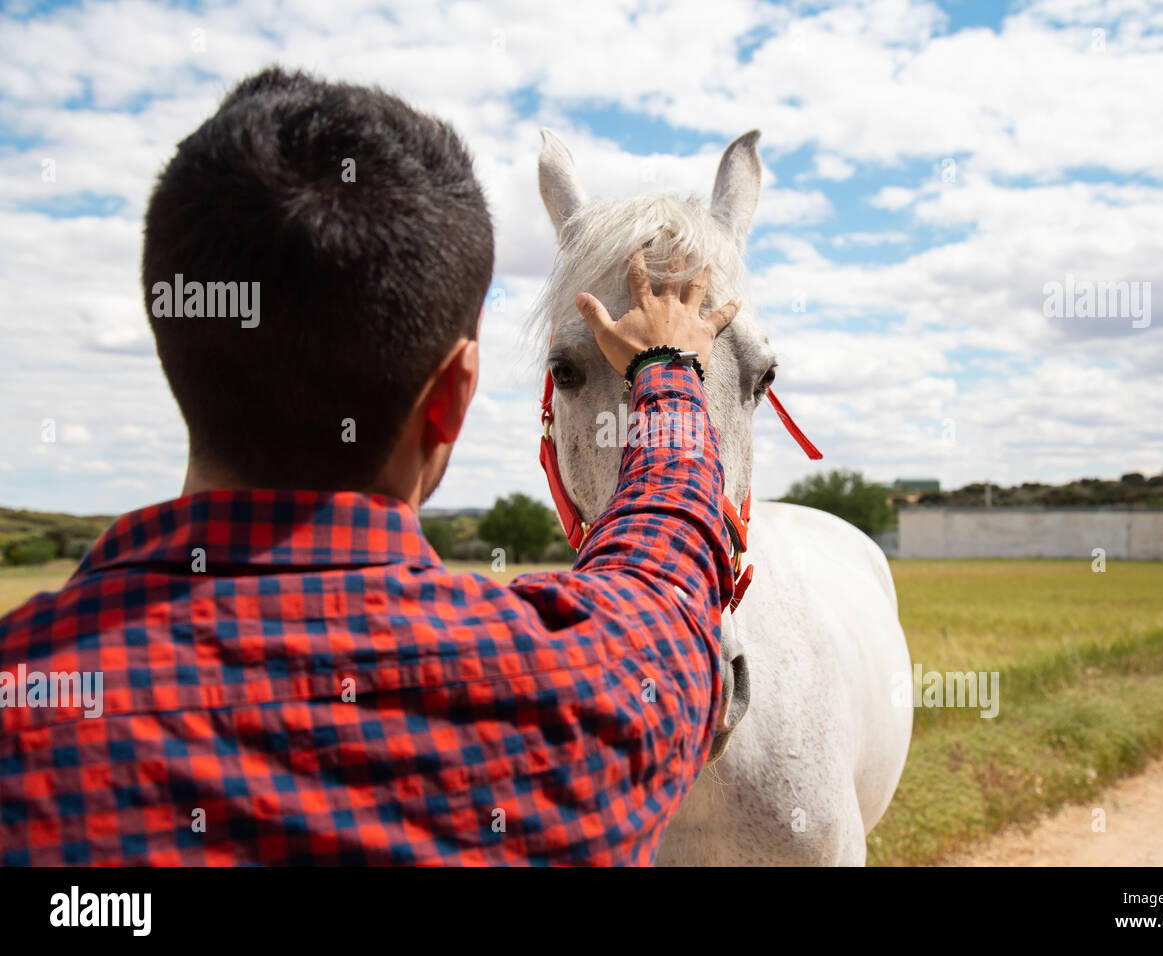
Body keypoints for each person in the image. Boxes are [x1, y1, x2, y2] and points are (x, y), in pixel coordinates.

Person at [0, 67, 739, 865]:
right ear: (453, 396)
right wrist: (666, 369)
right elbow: (664, 580)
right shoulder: (582, 696)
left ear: (174, 346)